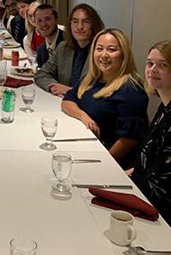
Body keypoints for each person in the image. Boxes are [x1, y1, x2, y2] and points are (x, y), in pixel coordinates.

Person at [62, 28, 148, 167]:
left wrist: (102, 163)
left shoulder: (131, 90)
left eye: (111, 50)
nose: (104, 55)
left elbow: (129, 140)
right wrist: (84, 116)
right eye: (99, 49)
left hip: (110, 163)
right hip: (85, 149)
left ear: (123, 55)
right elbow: (67, 101)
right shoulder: (92, 79)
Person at [130, 40, 171, 223]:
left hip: (160, 213)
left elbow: (161, 183)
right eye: (150, 63)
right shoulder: (163, 108)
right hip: (144, 196)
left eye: (162, 65)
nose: (153, 69)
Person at [34, 3, 105, 97]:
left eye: (86, 22)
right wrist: (54, 87)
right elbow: (41, 74)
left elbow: (105, 91)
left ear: (94, 25)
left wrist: (70, 91)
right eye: (75, 21)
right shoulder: (63, 48)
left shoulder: (102, 53)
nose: (80, 27)